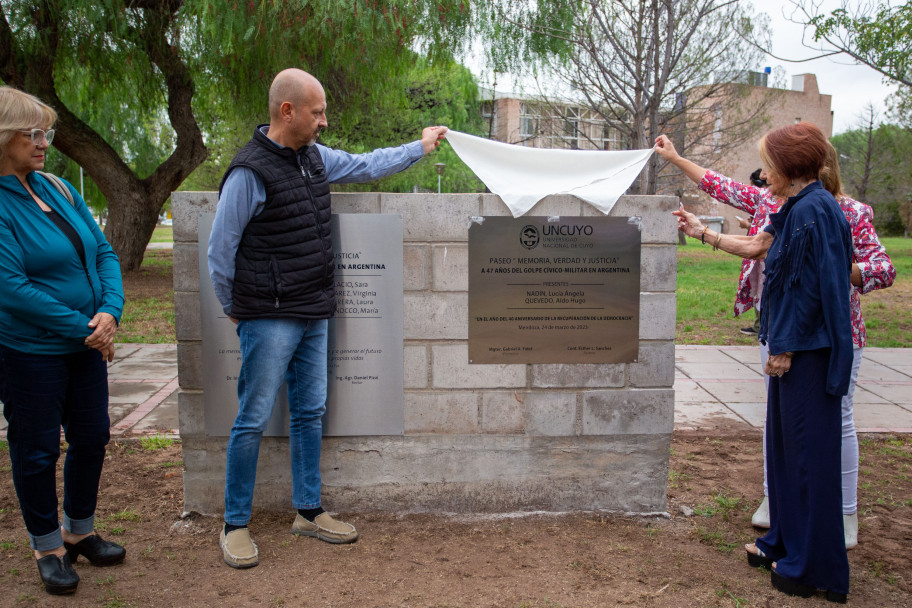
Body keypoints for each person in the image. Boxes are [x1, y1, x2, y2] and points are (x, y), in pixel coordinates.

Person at [207, 68, 447, 569]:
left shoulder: (315, 159)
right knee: (252, 418)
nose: (323, 121)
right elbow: (220, 248)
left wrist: (419, 147)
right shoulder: (249, 172)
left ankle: (308, 511)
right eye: (316, 112)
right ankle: (234, 525)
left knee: (310, 411)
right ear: (287, 111)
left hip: (314, 309)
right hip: (268, 316)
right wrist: (236, 308)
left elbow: (365, 164)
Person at [655, 133, 895, 548]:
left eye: (770, 166)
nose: (763, 175)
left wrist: (834, 268)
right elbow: (724, 191)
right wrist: (676, 159)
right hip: (780, 329)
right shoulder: (774, 203)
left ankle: (844, 513)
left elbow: (883, 269)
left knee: (838, 421)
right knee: (778, 419)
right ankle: (775, 501)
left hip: (830, 335)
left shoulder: (848, 211)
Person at [673, 122, 854, 602]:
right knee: (786, 453)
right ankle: (786, 544)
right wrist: (699, 232)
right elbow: (757, 247)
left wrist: (786, 346)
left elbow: (814, 290)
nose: (763, 173)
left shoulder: (816, 211)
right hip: (794, 348)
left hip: (808, 356)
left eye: (769, 165)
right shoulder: (797, 207)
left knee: (810, 460)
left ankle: (813, 568)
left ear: (791, 168)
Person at [0, 87, 126, 595]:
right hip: (30, 354)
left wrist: (109, 310)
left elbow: (102, 251)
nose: (43, 142)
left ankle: (79, 530)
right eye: (33, 133)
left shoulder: (55, 187)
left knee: (93, 436)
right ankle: (48, 546)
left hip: (85, 346)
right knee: (35, 451)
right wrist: (87, 328)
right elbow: (11, 288)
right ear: (4, 136)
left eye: (45, 133)